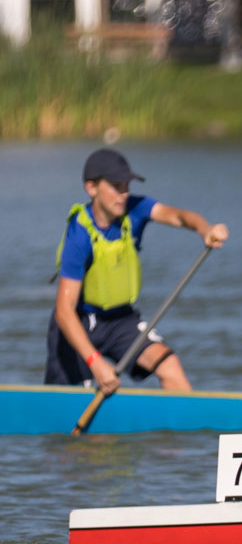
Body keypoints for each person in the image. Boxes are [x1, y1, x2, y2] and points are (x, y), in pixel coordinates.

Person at [46, 148, 228, 394]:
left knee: (170, 367)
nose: (123, 194)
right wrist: (95, 363)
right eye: (115, 186)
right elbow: (64, 311)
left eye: (126, 186)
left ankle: (193, 427)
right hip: (78, 325)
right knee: (75, 403)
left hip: (121, 320)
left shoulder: (135, 209)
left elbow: (178, 216)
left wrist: (204, 228)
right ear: (91, 188)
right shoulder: (79, 235)